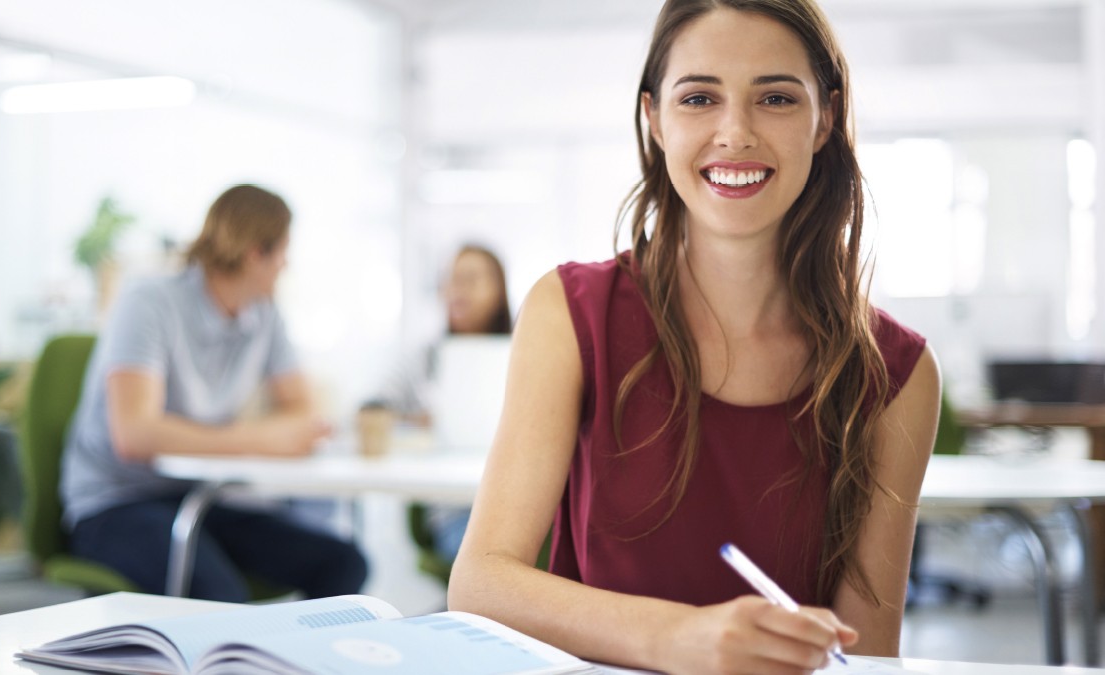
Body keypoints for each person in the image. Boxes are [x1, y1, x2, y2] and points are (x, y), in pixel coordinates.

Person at [447, 1, 941, 673]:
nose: (734, 133)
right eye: (700, 97)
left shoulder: (897, 373)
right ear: (654, 119)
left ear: (824, 118)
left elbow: (865, 653)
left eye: (774, 97)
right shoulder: (568, 312)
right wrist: (673, 638)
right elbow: (480, 582)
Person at [60, 184, 368, 602]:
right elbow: (134, 435)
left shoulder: (264, 314)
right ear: (255, 254)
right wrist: (260, 440)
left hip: (197, 499)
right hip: (116, 505)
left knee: (344, 563)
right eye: (282, 252)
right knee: (221, 595)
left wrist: (274, 435)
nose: (285, 265)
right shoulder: (148, 303)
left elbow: (303, 413)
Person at [380, 244, 512, 566]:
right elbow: (370, 410)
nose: (457, 291)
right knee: (489, 561)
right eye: (451, 280)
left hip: (517, 505)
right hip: (455, 511)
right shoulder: (426, 359)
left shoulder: (522, 354)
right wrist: (419, 422)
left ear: (499, 291)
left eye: (470, 280)